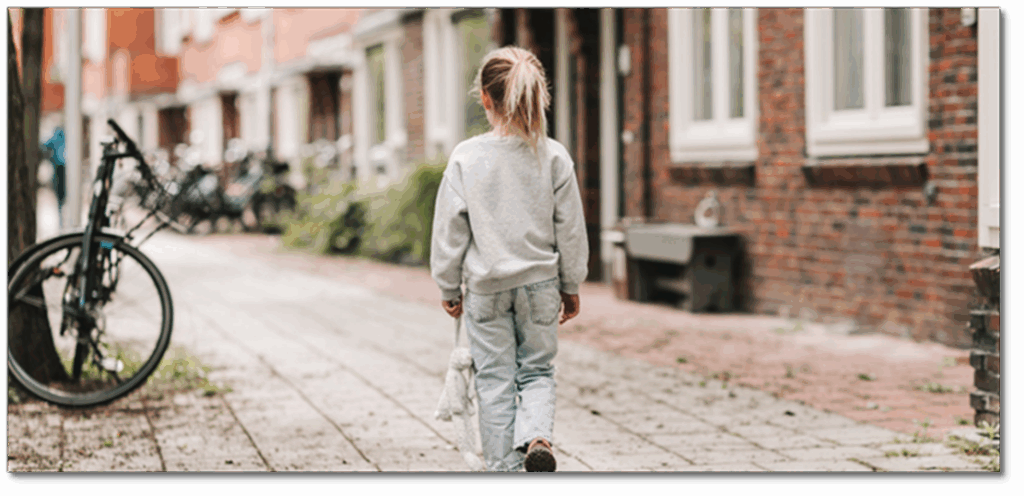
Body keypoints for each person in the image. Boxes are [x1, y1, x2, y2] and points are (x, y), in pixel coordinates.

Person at [430, 46, 589, 472]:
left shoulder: (466, 157)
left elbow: (449, 230)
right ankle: (537, 436)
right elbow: (571, 229)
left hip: (486, 289)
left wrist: (448, 285)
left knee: (494, 380)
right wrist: (571, 283)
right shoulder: (553, 156)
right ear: (538, 95)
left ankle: (505, 469)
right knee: (536, 371)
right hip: (540, 286)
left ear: (485, 97)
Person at [43, 127, 67, 228]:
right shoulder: (63, 137)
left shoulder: (56, 138)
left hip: (59, 169)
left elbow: (45, 146)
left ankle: (61, 220)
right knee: (62, 197)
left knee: (60, 197)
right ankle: (62, 220)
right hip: (63, 169)